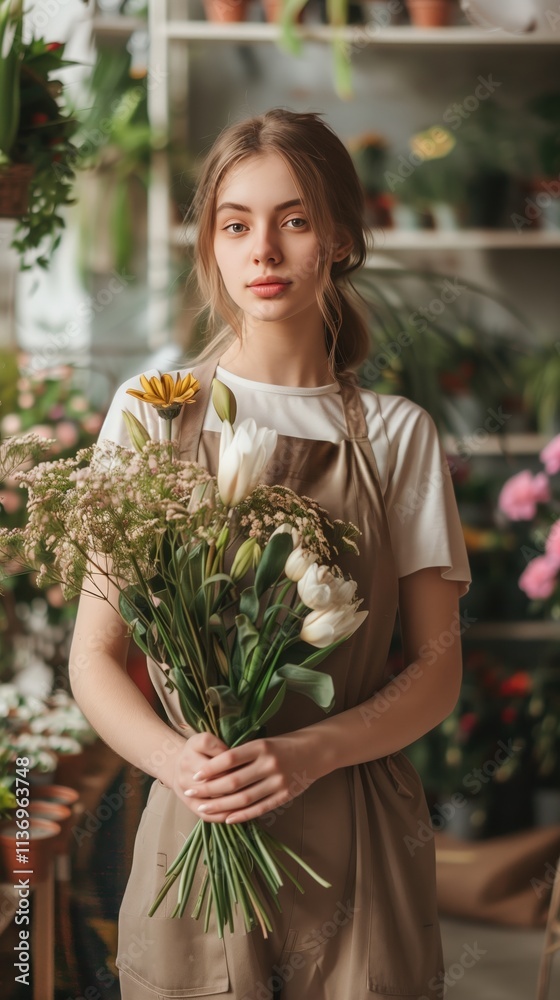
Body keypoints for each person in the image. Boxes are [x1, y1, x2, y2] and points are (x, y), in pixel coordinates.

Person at [69, 107, 471, 1000]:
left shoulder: (397, 435)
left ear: (337, 239)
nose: (265, 252)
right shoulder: (151, 412)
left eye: (294, 220)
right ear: (210, 245)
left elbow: (438, 671)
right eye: (236, 224)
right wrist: (178, 763)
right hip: (196, 821)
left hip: (359, 838)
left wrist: (313, 751)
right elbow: (95, 658)